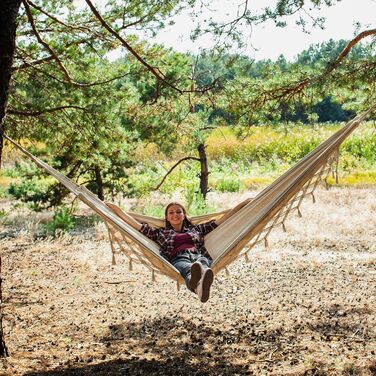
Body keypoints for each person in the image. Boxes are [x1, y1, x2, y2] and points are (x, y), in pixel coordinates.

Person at [105, 199, 251, 303]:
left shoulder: (196, 229)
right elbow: (135, 225)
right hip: (178, 258)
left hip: (198, 255)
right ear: (167, 217)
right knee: (188, 268)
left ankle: (200, 287)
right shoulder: (160, 233)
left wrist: (243, 204)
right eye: (171, 212)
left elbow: (224, 219)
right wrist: (116, 210)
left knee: (203, 263)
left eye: (178, 212)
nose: (175, 214)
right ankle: (198, 283)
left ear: (184, 215)